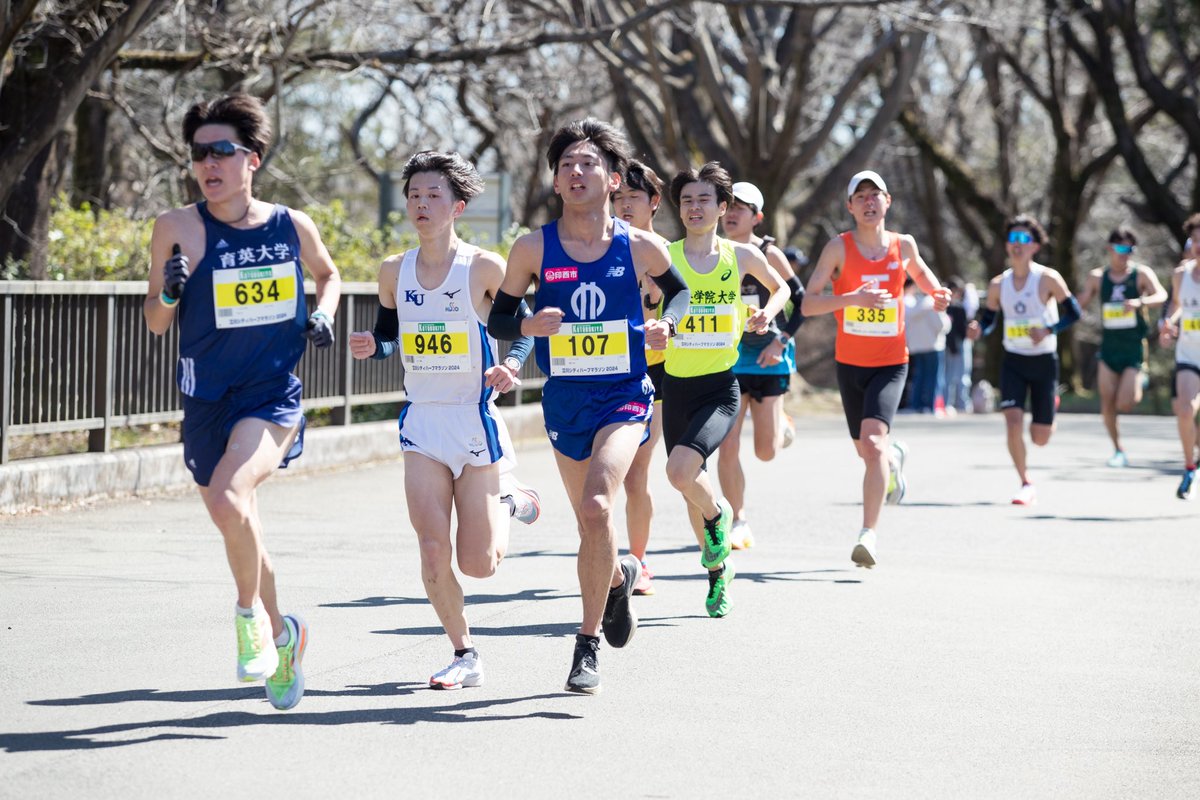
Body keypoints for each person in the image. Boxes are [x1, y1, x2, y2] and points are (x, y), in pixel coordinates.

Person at [144, 94, 342, 710]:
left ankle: (247, 618)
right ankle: (286, 634)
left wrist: (324, 314)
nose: (209, 163)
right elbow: (153, 321)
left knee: (233, 496)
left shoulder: (290, 225)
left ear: (251, 160)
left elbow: (328, 274)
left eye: (222, 151)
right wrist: (171, 294)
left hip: (271, 395)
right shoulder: (176, 228)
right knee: (240, 519)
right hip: (206, 399)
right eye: (200, 153)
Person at [487, 119, 689, 694]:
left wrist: (664, 326)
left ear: (613, 176)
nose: (577, 172)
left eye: (588, 163)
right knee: (588, 521)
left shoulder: (638, 244)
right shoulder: (532, 247)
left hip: (624, 395)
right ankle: (619, 574)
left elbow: (680, 293)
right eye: (566, 165)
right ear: (555, 181)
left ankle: (586, 643)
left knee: (600, 506)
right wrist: (527, 322)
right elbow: (500, 317)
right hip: (565, 400)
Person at [348, 151, 541, 689]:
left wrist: (510, 364)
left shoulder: (482, 267)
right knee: (432, 548)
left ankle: (510, 498)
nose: (421, 204)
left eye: (433, 195)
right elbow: (391, 334)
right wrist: (375, 346)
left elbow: (525, 327)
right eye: (413, 195)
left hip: (473, 419)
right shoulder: (394, 270)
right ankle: (465, 652)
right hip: (422, 423)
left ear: (457, 205)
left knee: (479, 564)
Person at [801, 170, 950, 567]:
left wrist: (938, 294)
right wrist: (853, 298)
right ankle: (893, 460)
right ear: (849, 206)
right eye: (860, 196)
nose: (869, 202)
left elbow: (922, 275)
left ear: (888, 202)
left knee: (873, 444)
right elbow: (808, 304)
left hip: (890, 362)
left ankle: (869, 534)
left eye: (876, 195)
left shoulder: (903, 246)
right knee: (866, 451)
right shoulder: (838, 248)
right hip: (850, 364)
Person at [663, 163, 789, 615]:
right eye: (686, 201)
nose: (694, 208)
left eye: (703, 200)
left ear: (722, 207)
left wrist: (767, 314)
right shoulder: (665, 256)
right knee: (687, 488)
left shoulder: (741, 257)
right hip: (675, 385)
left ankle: (721, 514)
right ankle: (718, 576)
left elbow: (783, 290)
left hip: (719, 388)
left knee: (679, 473)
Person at [714, 181, 806, 550]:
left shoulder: (769, 253)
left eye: (742, 207)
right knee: (727, 443)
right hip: (731, 359)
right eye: (729, 205)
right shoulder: (713, 251)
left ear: (757, 217)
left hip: (769, 357)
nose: (733, 212)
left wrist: (779, 340)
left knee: (765, 452)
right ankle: (738, 518)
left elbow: (799, 301)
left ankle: (782, 423)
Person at [967, 215, 1081, 505]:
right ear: (1007, 246)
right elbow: (990, 320)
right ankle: (1025, 481)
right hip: (1014, 361)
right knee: (1013, 423)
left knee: (1040, 437)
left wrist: (1048, 330)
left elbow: (1074, 313)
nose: (1017, 246)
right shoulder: (998, 285)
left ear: (1035, 246)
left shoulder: (1047, 279)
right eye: (1012, 240)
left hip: (1043, 361)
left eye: (1023, 240)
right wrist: (981, 328)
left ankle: (1050, 405)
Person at [612, 159, 669, 595]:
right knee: (606, 475)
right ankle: (605, 554)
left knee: (636, 474)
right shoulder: (600, 249)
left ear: (654, 202)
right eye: (619, 197)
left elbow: (684, 306)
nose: (625, 205)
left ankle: (638, 560)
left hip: (657, 373)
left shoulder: (665, 253)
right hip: (608, 371)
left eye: (634, 197)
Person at [1075, 227, 1167, 466]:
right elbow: (1080, 301)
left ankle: (1141, 378)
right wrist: (1060, 306)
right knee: (1106, 402)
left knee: (1126, 402)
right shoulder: (1097, 277)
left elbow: (1162, 295)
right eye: (1120, 248)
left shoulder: (1140, 274)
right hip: (1109, 348)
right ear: (1110, 249)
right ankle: (1118, 449)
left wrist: (1139, 302)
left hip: (1133, 348)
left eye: (1129, 249)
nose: (1124, 254)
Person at [1158, 215, 1200, 499]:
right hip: (1189, 354)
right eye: (1195, 240)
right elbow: (1176, 305)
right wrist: (1169, 323)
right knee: (1185, 409)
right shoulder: (1180, 275)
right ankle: (1188, 467)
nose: (1199, 245)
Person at [904, 277, 950, 414]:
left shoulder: (912, 304)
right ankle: (930, 406)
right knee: (934, 377)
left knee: (919, 376)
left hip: (917, 346)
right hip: (933, 345)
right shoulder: (933, 304)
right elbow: (941, 326)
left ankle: (915, 404)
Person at [943, 276, 973, 414]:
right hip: (954, 345)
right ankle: (953, 403)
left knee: (957, 375)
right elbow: (960, 330)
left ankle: (956, 403)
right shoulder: (953, 308)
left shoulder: (953, 307)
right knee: (954, 375)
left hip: (954, 344)